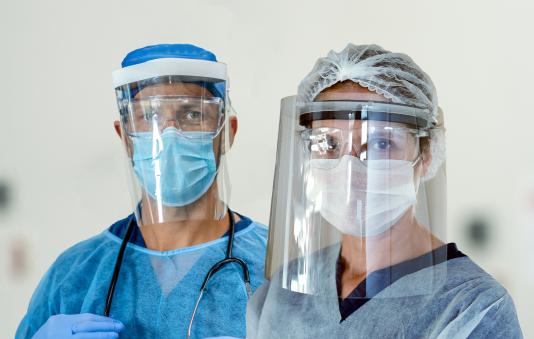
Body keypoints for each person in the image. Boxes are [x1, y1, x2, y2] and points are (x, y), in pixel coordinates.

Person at [247, 44, 523, 338]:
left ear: (425, 155)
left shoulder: (471, 306)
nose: (349, 169)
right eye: (328, 145)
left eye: (379, 144)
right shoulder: (282, 294)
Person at [16, 44, 268, 339]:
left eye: (192, 114)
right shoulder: (75, 274)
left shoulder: (275, 268)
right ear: (124, 137)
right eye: (149, 117)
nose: (169, 133)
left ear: (227, 132)